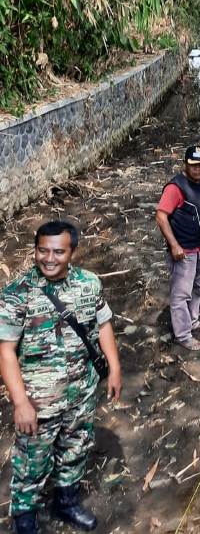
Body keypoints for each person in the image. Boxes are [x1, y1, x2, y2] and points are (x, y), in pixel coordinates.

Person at [0, 220, 121, 534]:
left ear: (72, 252)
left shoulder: (89, 283)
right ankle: (25, 519)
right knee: (31, 463)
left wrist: (114, 369)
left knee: (76, 448)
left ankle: (66, 503)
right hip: (39, 402)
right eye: (42, 250)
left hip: (81, 392)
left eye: (58, 251)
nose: (48, 258)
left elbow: (103, 324)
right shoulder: (17, 294)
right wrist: (20, 402)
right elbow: (6, 351)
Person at [156, 145, 200, 351]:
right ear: (185, 164)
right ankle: (183, 335)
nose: (198, 169)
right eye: (193, 165)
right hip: (183, 251)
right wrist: (174, 245)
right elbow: (161, 217)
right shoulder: (175, 188)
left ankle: (193, 321)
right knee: (181, 294)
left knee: (197, 287)